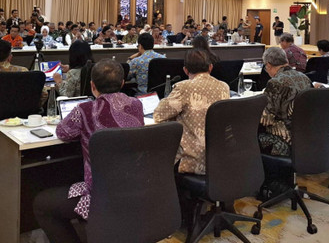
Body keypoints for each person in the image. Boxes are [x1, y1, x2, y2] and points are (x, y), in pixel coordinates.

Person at [33, 59, 143, 242]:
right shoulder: (136, 105)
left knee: (41, 204)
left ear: (92, 86)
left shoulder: (85, 109)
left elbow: (63, 132)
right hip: (134, 188)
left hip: (100, 194)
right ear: (123, 83)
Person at [154, 49, 230, 174]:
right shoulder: (224, 86)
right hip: (219, 158)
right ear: (210, 67)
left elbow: (159, 115)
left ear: (185, 70)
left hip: (192, 160)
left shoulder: (184, 87)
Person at [258, 47, 312, 157]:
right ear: (285, 61)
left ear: (268, 65)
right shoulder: (304, 77)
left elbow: (266, 119)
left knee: (246, 133)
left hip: (285, 139)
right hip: (307, 135)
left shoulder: (275, 82)